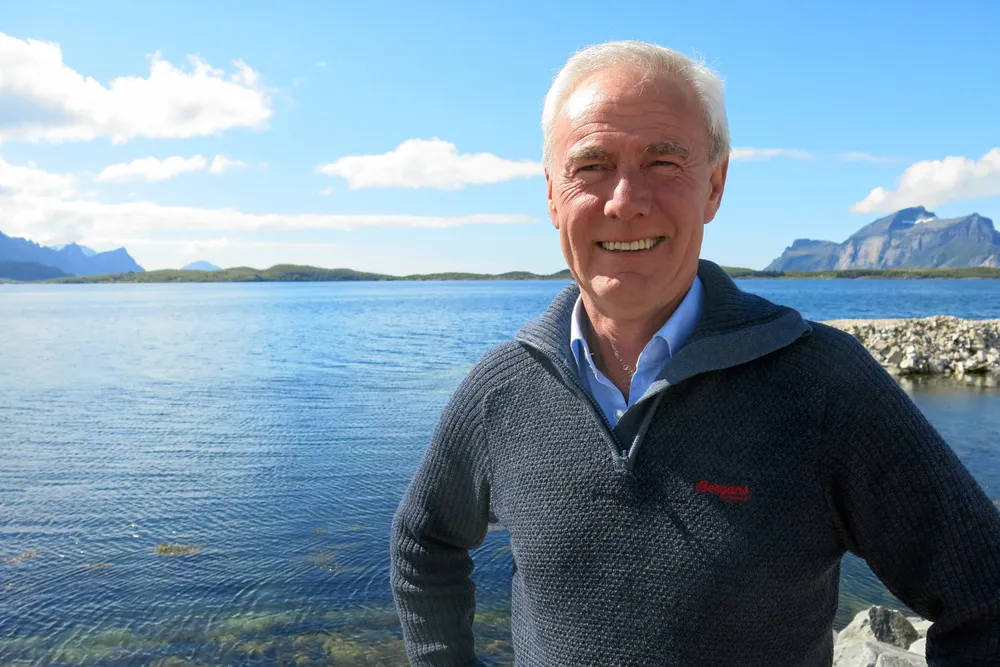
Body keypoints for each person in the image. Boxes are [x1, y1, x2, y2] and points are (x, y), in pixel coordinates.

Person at [390, 40, 1000, 666]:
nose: (625, 201)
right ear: (552, 195)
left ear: (714, 185)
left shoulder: (823, 383)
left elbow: (986, 598)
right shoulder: (504, 388)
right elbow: (423, 542)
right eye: (591, 165)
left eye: (662, 162)